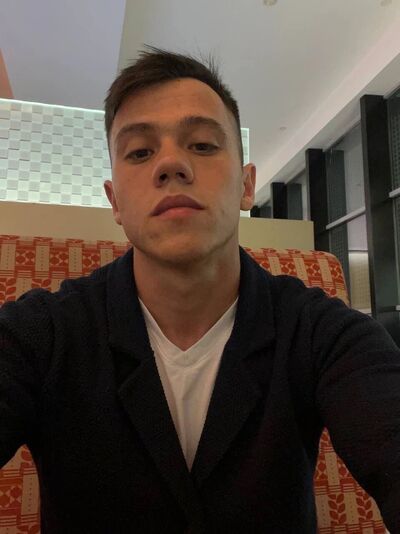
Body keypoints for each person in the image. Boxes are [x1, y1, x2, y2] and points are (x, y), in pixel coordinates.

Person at [0, 47, 400, 533]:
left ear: (247, 186)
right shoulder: (42, 334)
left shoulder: (321, 332)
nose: (171, 164)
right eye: (140, 152)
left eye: (204, 145)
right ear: (115, 201)